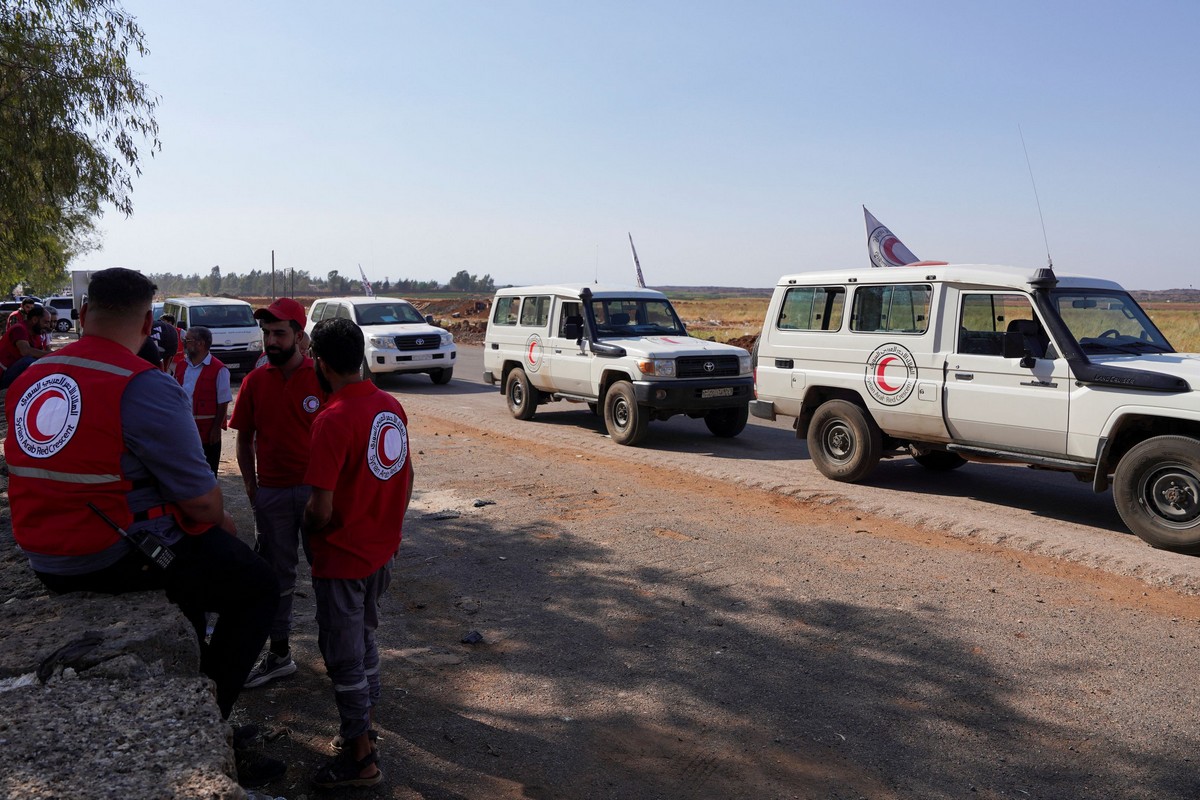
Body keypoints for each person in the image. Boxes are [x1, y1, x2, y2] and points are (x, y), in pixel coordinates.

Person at [2, 268, 286, 788]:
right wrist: (227, 530)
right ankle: (207, 719)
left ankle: (198, 696)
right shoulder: (141, 385)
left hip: (42, 553)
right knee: (257, 587)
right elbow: (201, 504)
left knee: (198, 585)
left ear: (84, 315)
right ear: (148, 322)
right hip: (110, 555)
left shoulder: (29, 376)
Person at [301, 316, 413, 789]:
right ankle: (363, 728)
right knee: (365, 642)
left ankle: (361, 758)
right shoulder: (390, 406)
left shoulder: (331, 420)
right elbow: (403, 479)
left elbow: (320, 510)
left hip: (342, 557)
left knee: (344, 656)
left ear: (321, 364)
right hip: (378, 552)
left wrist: (302, 526)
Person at [231, 297, 326, 688]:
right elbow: (243, 439)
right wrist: (253, 491)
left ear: (300, 336)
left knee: (329, 575)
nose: (270, 341)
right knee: (278, 579)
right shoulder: (255, 381)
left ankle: (339, 656)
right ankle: (280, 654)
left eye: (279, 333)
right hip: (271, 495)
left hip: (317, 495)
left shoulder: (322, 378)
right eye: (267, 333)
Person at [176, 326, 231, 476]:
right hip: (184, 429)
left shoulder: (219, 369)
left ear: (200, 344)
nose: (184, 343)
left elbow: (223, 402)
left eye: (187, 340)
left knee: (207, 472)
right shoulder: (181, 366)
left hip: (206, 432)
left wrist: (216, 429)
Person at [0, 304, 52, 390]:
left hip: (11, 373)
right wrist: (51, 354)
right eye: (46, 322)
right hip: (3, 375)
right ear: (35, 319)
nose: (48, 326)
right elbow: (25, 351)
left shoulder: (36, 334)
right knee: (28, 360)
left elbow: (41, 353)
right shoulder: (19, 329)